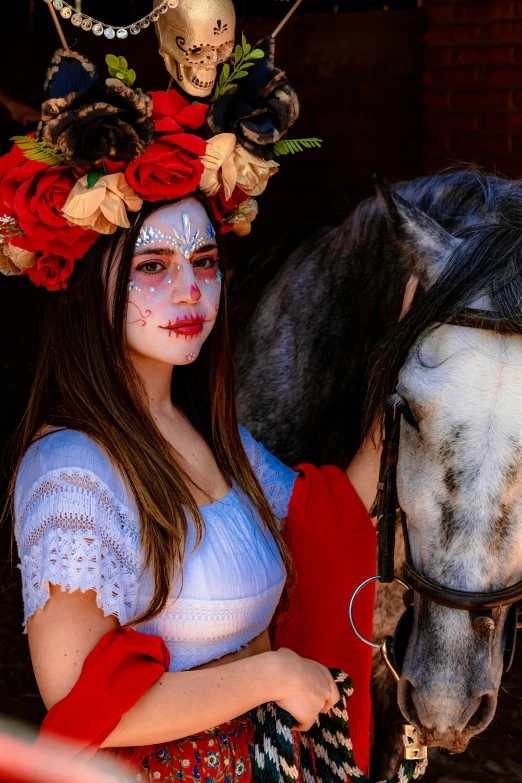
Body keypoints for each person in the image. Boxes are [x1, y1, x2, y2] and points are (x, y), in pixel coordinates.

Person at [1, 47, 392, 783]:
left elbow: (329, 516)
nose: (189, 291)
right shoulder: (69, 470)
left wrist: (405, 382)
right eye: (154, 266)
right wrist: (271, 674)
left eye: (205, 261)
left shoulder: (211, 433)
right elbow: (84, 704)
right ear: (91, 283)